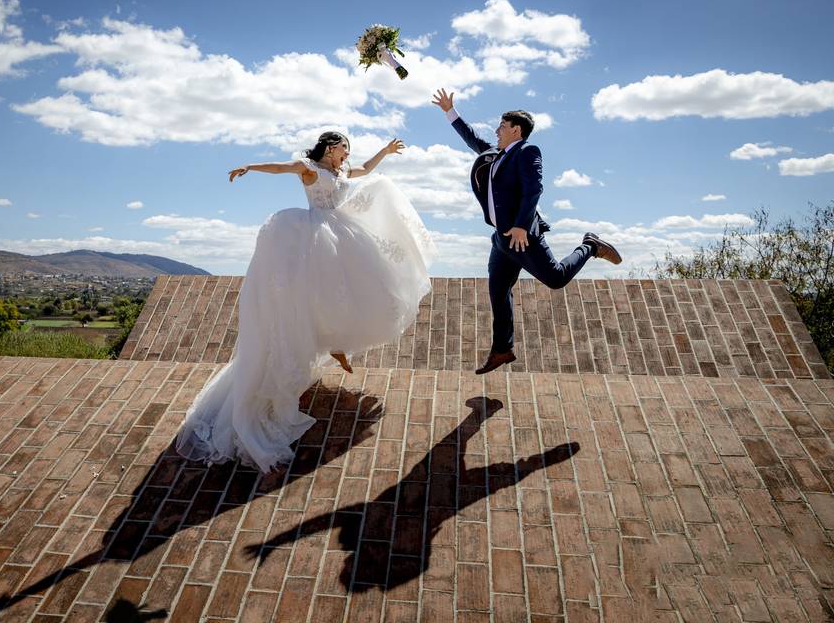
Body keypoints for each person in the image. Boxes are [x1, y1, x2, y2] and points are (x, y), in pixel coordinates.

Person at [175, 132, 436, 472]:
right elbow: (281, 167)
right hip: (315, 238)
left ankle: (336, 341)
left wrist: (385, 152)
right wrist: (249, 166)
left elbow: (367, 170)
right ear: (330, 148)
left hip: (342, 235)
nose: (347, 154)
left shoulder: (343, 172)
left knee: (354, 291)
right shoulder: (310, 168)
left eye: (348, 151)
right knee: (316, 297)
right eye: (344, 148)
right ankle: (331, 343)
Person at [432, 88, 622, 375]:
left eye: (502, 126)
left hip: (522, 237)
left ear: (516, 130)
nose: (497, 130)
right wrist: (450, 111)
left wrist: (521, 225)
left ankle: (590, 246)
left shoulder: (527, 151)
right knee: (498, 290)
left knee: (556, 278)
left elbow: (534, 189)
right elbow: (472, 138)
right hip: (501, 239)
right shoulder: (496, 153)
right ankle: (502, 349)